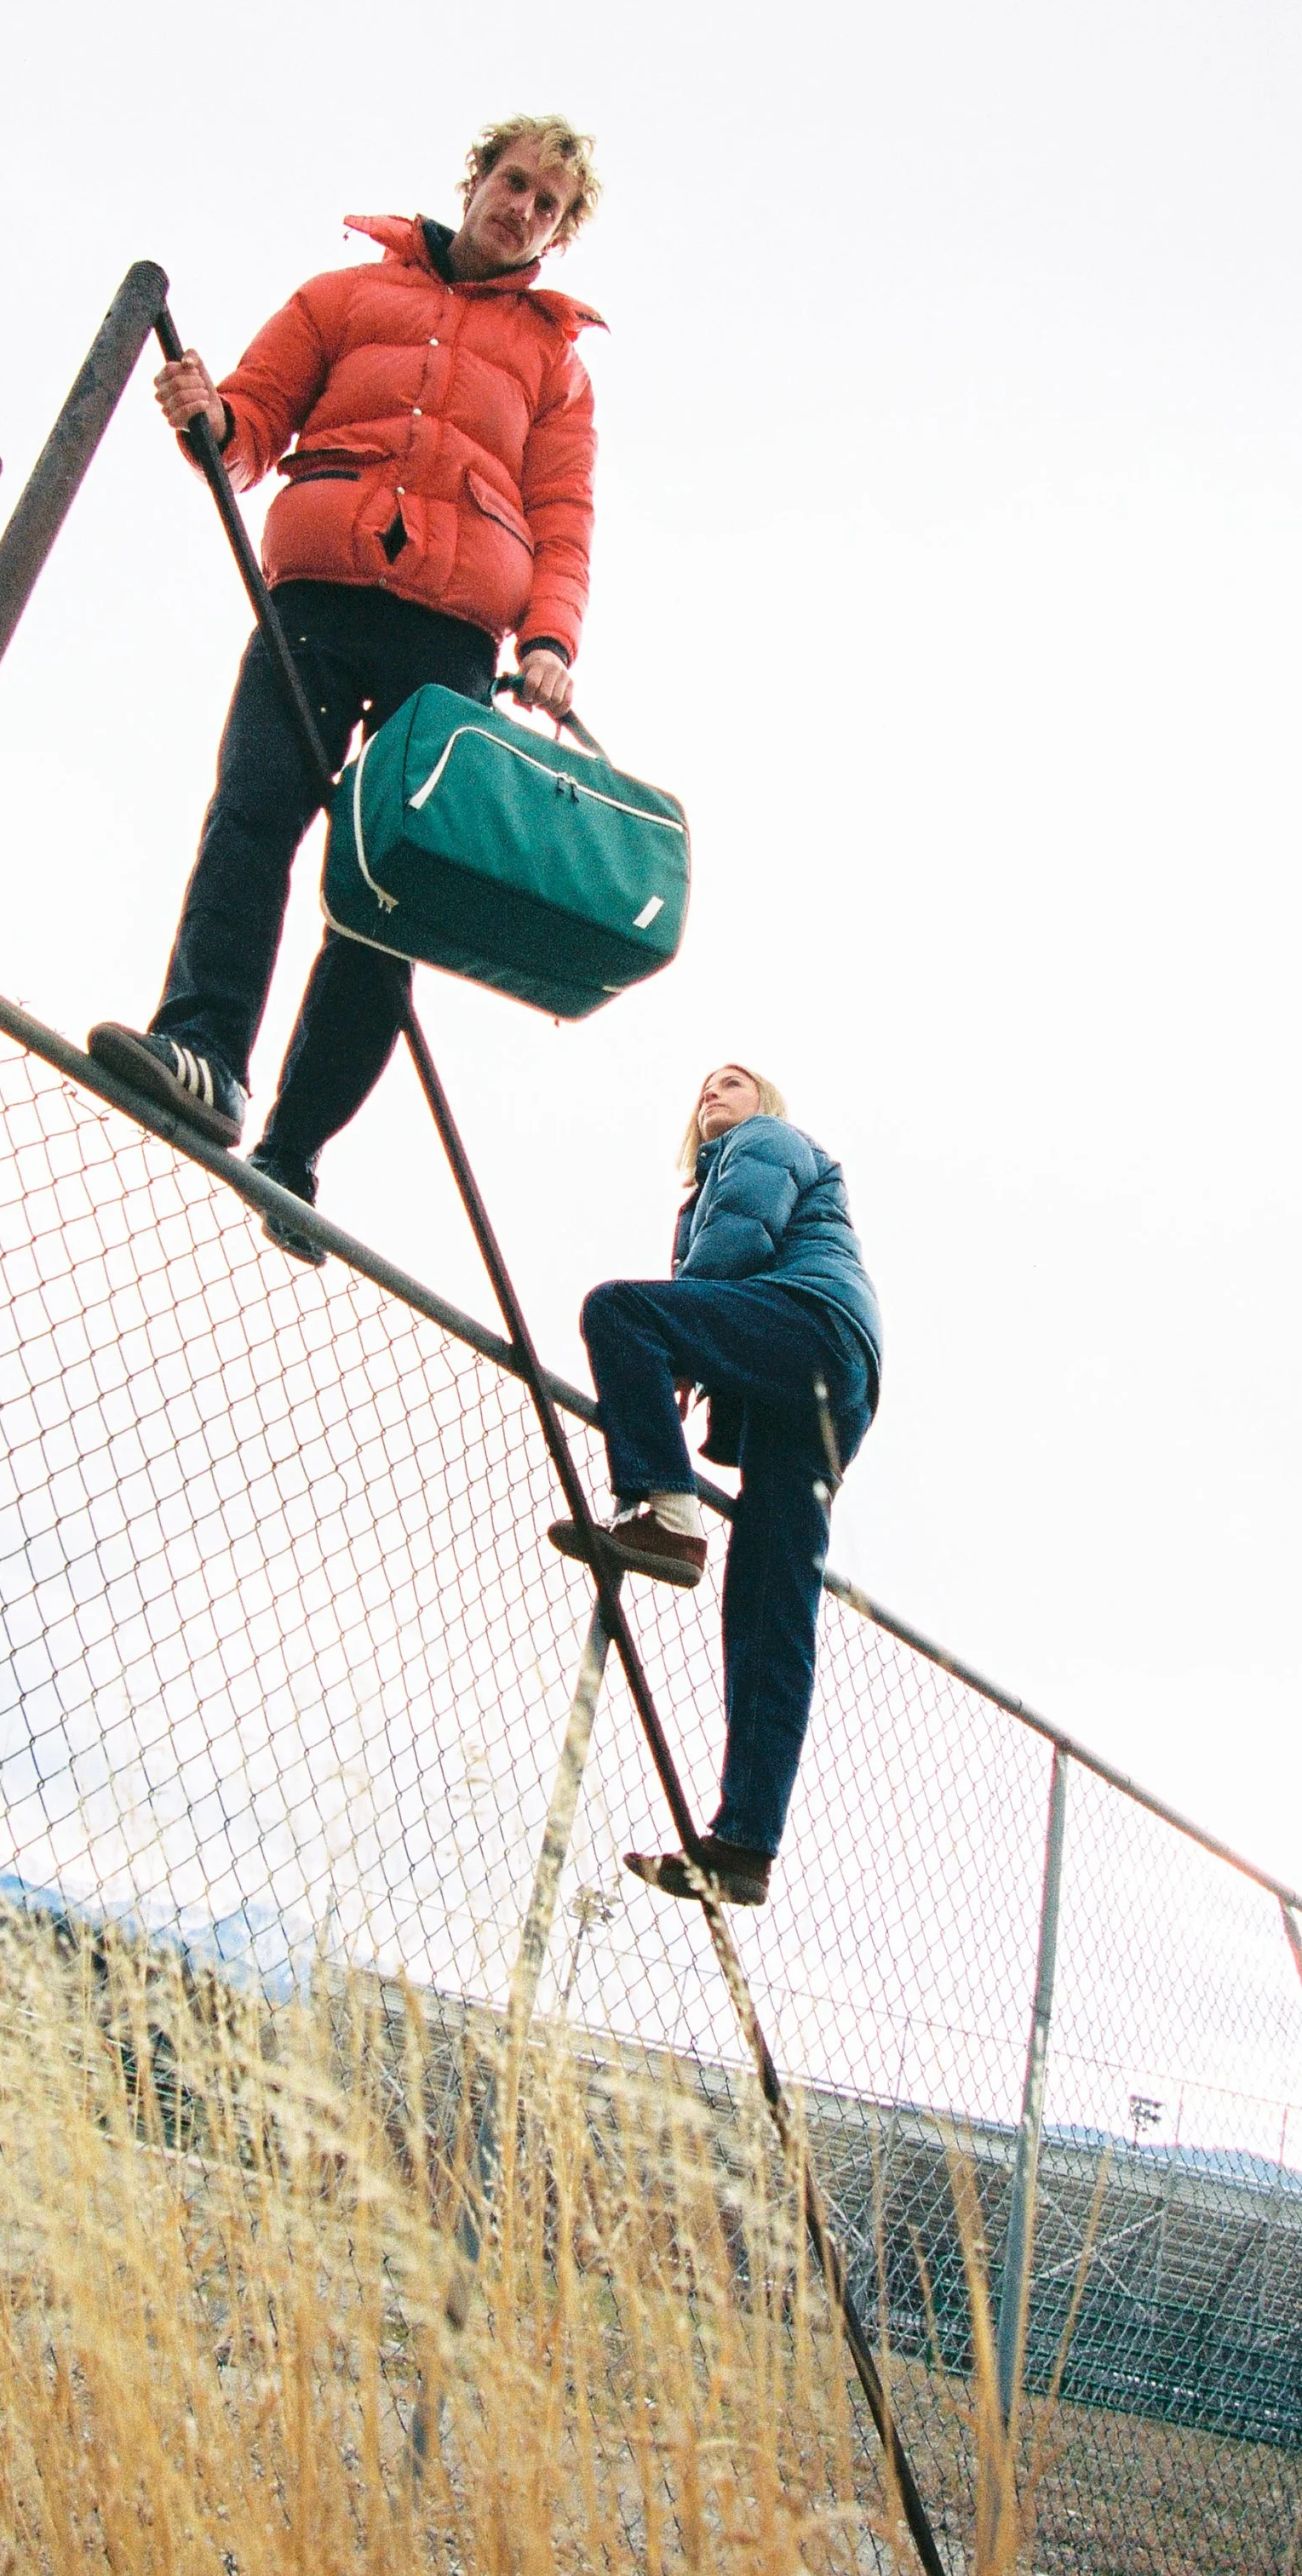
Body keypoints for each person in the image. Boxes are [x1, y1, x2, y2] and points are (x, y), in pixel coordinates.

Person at [85, 117, 606, 1264]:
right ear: (475, 181)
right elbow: (255, 416)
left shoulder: (556, 370)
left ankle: (295, 1147)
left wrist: (550, 638)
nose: (521, 207)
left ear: (559, 233)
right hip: (317, 601)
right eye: (512, 182)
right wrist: (211, 419)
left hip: (453, 644)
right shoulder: (340, 295)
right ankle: (205, 1054)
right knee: (251, 815)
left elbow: (562, 520)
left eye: (547, 204)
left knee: (389, 898)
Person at [547, 1062, 883, 1909]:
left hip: (809, 1326)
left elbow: (741, 1229)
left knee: (620, 1311)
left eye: (732, 1082)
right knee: (771, 1608)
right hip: (822, 1390)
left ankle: (669, 1512)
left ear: (762, 1103)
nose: (713, 1093)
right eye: (702, 1086)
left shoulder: (764, 1141)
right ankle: (743, 1845)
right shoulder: (718, 1174)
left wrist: (675, 1345)